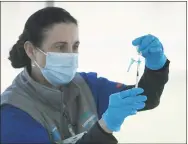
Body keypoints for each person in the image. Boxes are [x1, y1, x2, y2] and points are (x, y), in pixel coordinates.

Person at [1, 7, 170, 144]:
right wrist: (104, 128)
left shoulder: (85, 85)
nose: (70, 55)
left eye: (75, 46)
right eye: (60, 47)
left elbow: (145, 99)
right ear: (31, 51)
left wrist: (156, 66)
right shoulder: (14, 113)